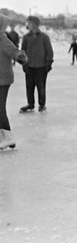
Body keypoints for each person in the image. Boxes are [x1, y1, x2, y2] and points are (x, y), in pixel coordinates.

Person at [0, 14, 28, 149]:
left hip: (3, 79)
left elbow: (14, 51)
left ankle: (8, 137)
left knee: (0, 108)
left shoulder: (3, 39)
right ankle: (3, 136)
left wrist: (20, 57)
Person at [20, 16, 54, 113]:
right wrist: (24, 65)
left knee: (41, 87)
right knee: (29, 87)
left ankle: (42, 105)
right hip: (29, 67)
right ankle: (30, 104)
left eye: (29, 23)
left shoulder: (44, 37)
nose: (27, 25)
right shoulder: (26, 37)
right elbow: (23, 52)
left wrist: (48, 64)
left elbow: (49, 52)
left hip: (41, 67)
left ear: (34, 24)